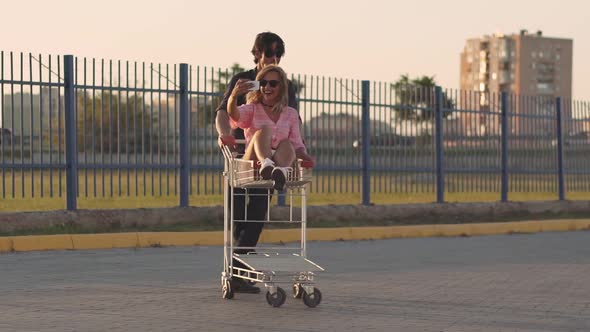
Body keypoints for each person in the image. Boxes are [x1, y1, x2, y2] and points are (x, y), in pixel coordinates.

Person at [215, 32, 299, 294]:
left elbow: (292, 120)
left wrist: (297, 152)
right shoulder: (244, 82)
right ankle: (240, 269)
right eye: (268, 53)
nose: (272, 58)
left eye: (277, 54)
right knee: (237, 212)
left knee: (258, 211)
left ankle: (238, 269)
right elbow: (224, 113)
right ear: (257, 55)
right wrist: (224, 134)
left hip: (269, 161)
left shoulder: (284, 85)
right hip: (242, 155)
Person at [228, 65, 313, 191]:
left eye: (273, 84)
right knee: (264, 130)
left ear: (281, 87)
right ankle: (266, 164)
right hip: (253, 164)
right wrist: (233, 97)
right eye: (263, 83)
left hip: (280, 159)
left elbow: (297, 146)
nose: (267, 87)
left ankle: (280, 172)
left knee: (287, 143)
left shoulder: (291, 114)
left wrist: (307, 159)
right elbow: (234, 115)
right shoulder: (252, 108)